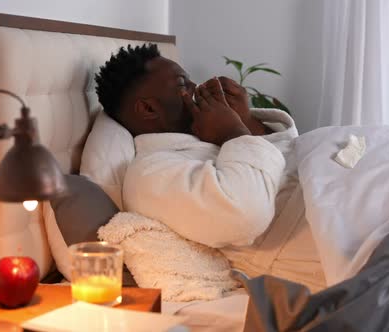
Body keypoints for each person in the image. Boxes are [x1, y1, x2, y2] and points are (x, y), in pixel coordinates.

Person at [95, 44, 325, 290]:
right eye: (183, 84)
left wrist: (247, 121)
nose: (196, 88)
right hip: (327, 227)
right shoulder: (150, 174)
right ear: (149, 108)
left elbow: (286, 158)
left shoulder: (203, 136)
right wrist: (234, 134)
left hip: (338, 184)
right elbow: (244, 215)